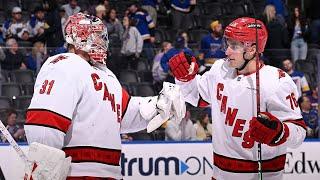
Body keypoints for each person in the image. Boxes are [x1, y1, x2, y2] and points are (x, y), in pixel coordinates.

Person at [24, 13, 184, 179]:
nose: (102, 41)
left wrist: (158, 104)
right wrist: (43, 167)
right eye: (96, 35)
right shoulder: (64, 64)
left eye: (102, 36)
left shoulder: (106, 75)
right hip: (77, 174)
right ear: (79, 37)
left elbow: (125, 115)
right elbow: (45, 121)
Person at [169, 17, 306, 179]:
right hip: (220, 174)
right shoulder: (220, 69)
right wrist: (185, 78)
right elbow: (197, 96)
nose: (227, 51)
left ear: (252, 49)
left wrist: (279, 132)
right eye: (228, 44)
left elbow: (299, 132)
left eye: (234, 46)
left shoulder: (277, 81)